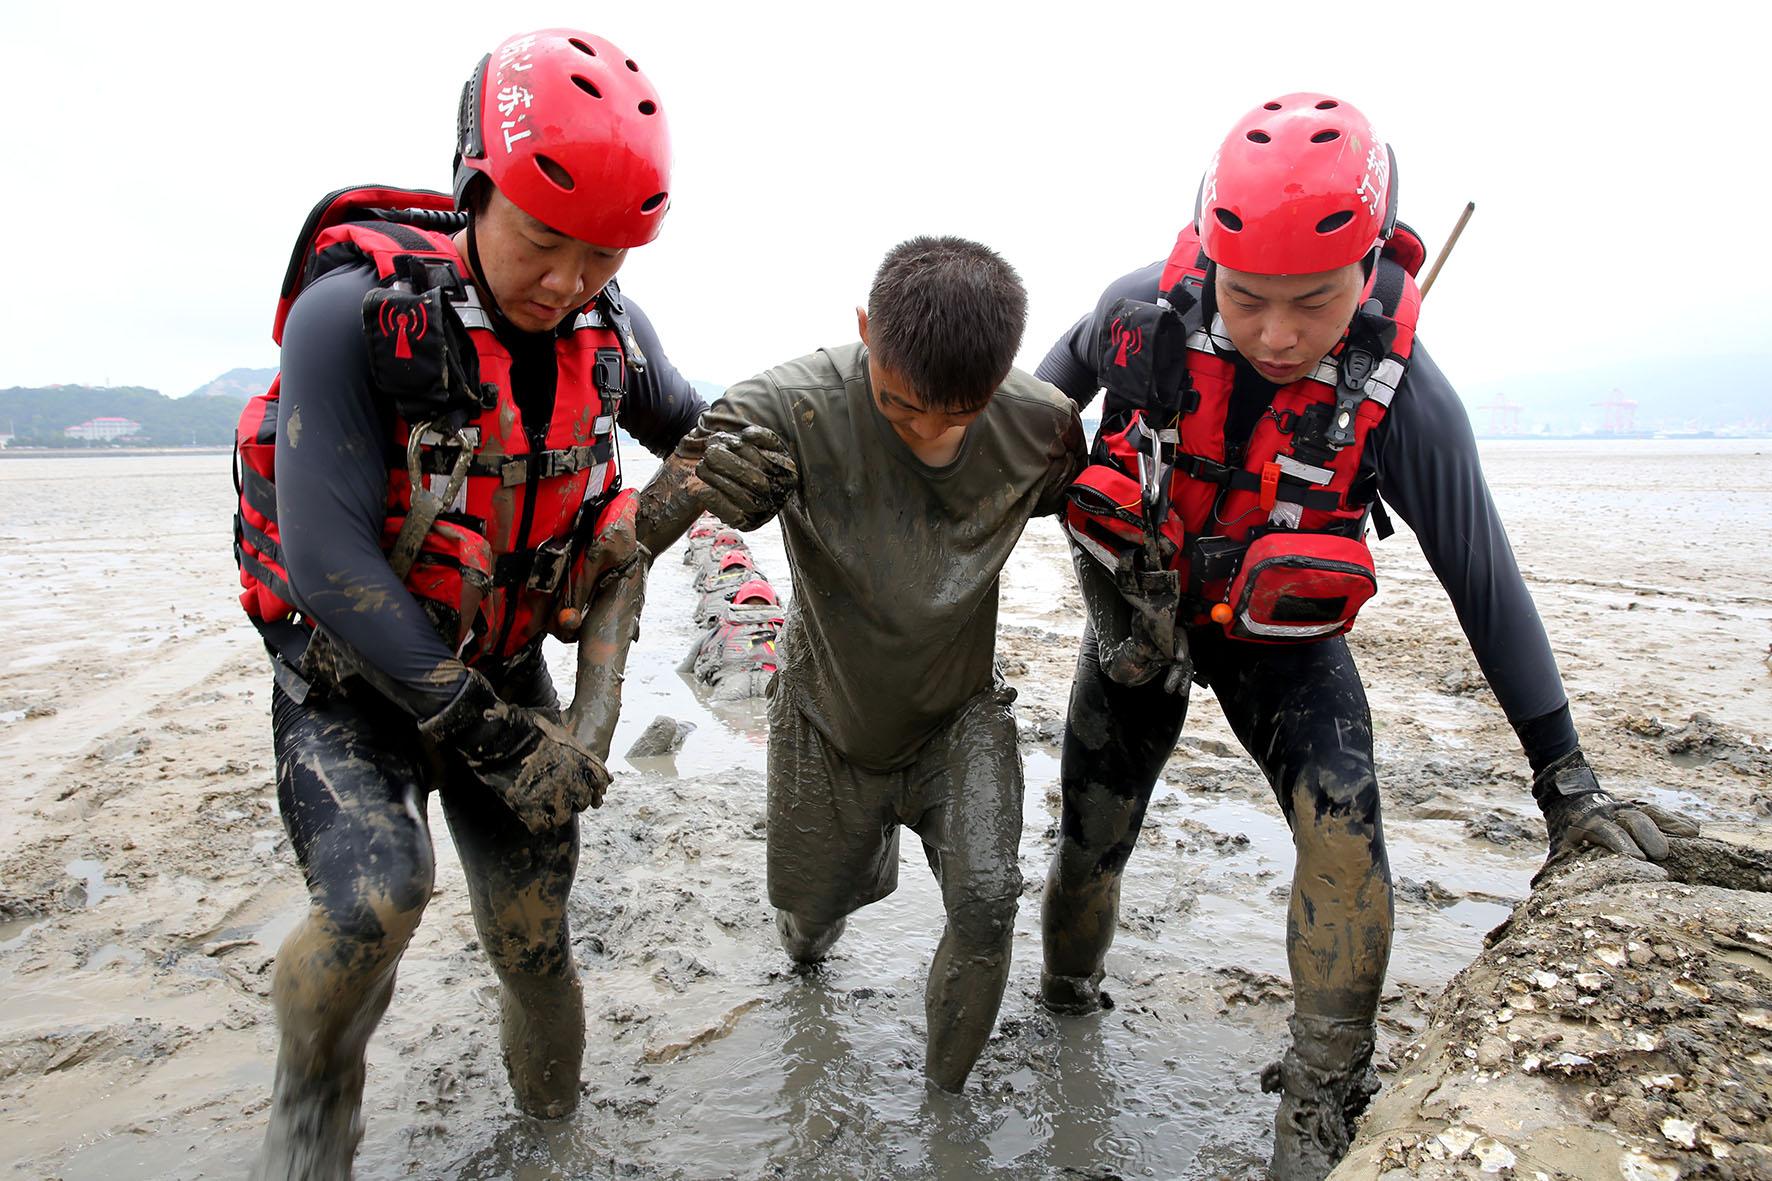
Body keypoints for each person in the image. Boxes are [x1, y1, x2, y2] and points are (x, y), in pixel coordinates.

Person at [1033, 93, 1696, 1181]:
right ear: (1206, 258)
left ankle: (1322, 1091)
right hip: (1138, 619)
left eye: (1314, 301)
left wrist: (1564, 779)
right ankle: (1064, 1005)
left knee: (1344, 834)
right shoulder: (1131, 314)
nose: (1277, 334)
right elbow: (1014, 437)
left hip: (1281, 641)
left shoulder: (1404, 396)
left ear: (1371, 266)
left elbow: (1483, 578)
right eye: (1246, 298)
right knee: (1087, 846)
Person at [231, 29, 704, 1179]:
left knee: (535, 940)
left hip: (501, 664)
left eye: (602, 255)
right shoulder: (352, 315)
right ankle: (309, 1117)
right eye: (542, 240)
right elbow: (329, 558)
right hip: (355, 680)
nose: (569, 282)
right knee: (377, 901)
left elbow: (705, 435)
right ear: (471, 188)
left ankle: (553, 1139)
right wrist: (488, 733)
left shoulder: (611, 332)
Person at [635, 236, 1087, 1091]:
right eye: (899, 405)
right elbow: (641, 529)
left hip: (959, 714)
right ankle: (809, 952)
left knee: (988, 902)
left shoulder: (1044, 426)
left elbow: (1095, 520)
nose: (926, 431)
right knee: (807, 926)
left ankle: (945, 1111)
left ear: (1000, 379)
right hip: (826, 713)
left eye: (957, 415)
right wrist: (697, 495)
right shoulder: (787, 405)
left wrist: (1138, 628)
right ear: (864, 329)